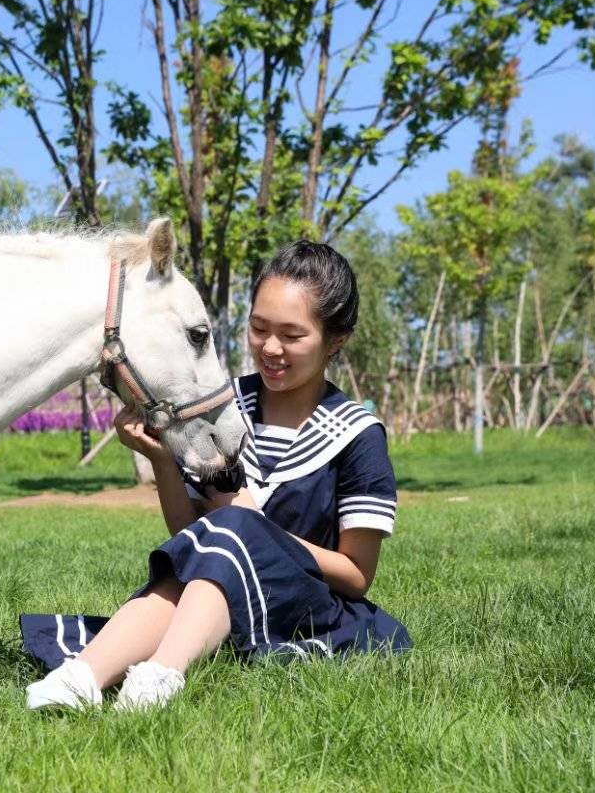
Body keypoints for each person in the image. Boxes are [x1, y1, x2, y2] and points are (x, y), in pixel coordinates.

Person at [20, 240, 411, 711]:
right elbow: (192, 538)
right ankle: (81, 678)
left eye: (292, 335)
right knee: (201, 558)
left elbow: (355, 576)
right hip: (210, 592)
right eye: (259, 328)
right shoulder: (221, 409)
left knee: (234, 528)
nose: (270, 347)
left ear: (336, 340)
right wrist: (163, 461)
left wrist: (257, 529)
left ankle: (162, 674)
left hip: (307, 606)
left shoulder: (357, 435)